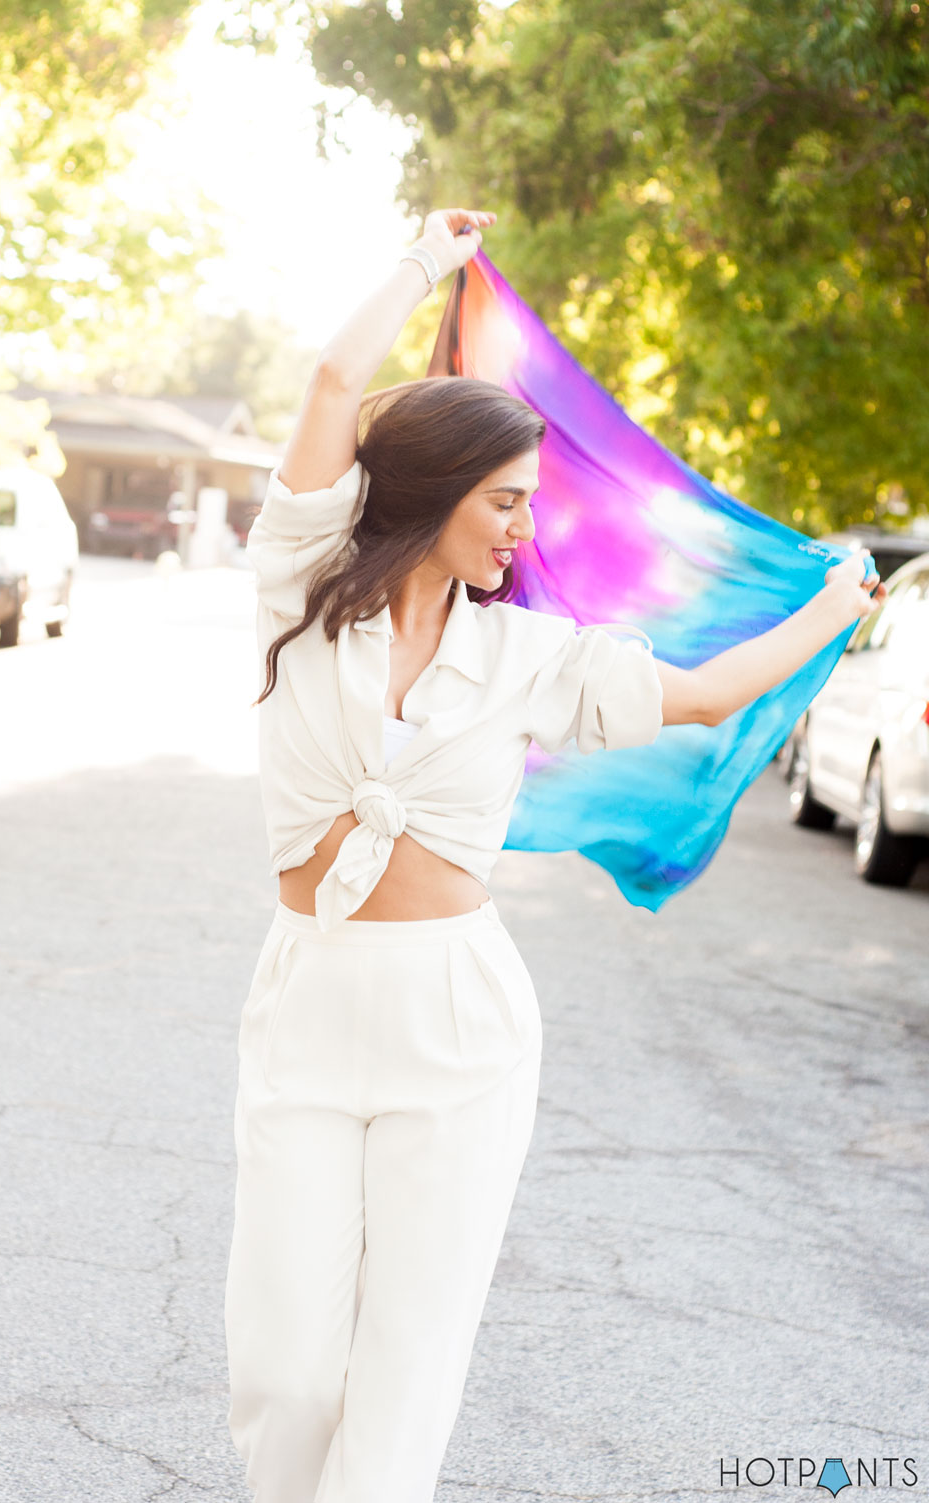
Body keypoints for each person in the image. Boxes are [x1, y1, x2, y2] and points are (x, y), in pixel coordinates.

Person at [224, 206, 884, 1503]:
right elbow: (332, 382)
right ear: (432, 493)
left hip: (461, 1026)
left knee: (405, 1376)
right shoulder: (296, 581)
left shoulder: (530, 659)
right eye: (508, 499)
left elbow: (698, 698)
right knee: (291, 1374)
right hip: (307, 1005)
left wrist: (829, 612)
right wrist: (429, 258)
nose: (529, 529)